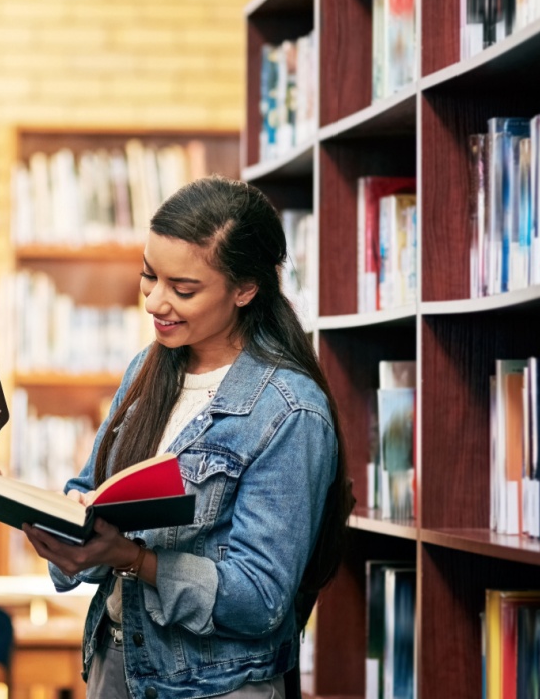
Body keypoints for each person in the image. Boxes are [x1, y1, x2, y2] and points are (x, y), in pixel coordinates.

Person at [24, 177, 354, 699]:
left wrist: (131, 559)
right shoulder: (146, 371)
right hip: (118, 663)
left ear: (245, 288)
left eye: (183, 289)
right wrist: (68, 522)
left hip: (213, 685)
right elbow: (91, 484)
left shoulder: (290, 411)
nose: (155, 302)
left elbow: (261, 598)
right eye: (148, 276)